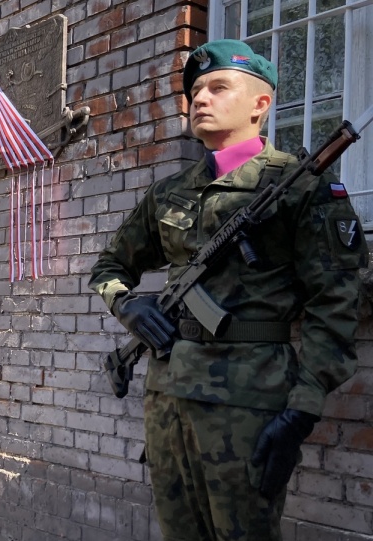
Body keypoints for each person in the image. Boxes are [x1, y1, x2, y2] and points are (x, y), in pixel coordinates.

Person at [88, 40, 368, 541]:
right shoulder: (168, 193)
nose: (200, 99)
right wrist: (127, 305)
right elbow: (109, 266)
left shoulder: (301, 188)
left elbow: (336, 303)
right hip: (168, 399)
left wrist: (302, 410)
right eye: (195, 90)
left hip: (248, 402)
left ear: (261, 103)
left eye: (218, 87)